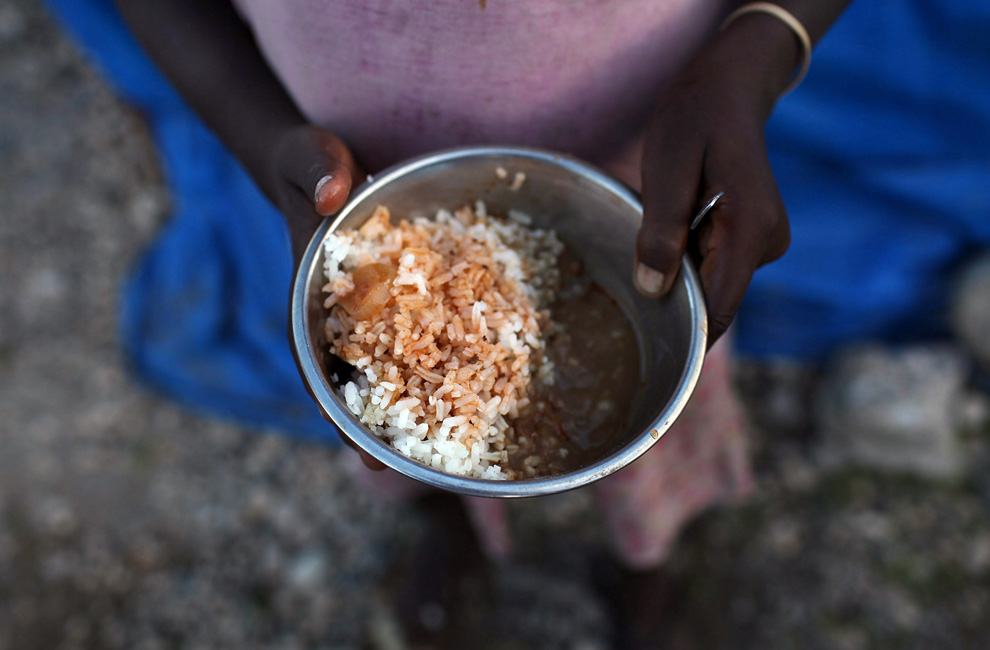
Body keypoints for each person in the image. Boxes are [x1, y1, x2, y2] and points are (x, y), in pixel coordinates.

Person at [44, 0, 856, 646]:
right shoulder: (369, 266)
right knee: (396, 422)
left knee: (653, 429)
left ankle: (648, 556)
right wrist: (263, 144)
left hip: (650, 170)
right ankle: (449, 525)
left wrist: (759, 44)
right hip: (357, 206)